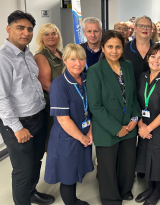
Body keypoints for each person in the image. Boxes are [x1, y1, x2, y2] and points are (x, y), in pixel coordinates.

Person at [0, 10, 55, 205]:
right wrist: (17, 128)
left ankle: (32, 193)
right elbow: (1, 98)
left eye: (29, 29)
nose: (26, 33)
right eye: (20, 28)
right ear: (9, 29)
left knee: (36, 160)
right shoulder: (3, 59)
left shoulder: (27, 53)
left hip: (37, 117)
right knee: (22, 169)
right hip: (19, 123)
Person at [86, 30, 141, 205]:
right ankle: (110, 198)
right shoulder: (95, 70)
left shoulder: (128, 66)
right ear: (103, 48)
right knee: (108, 166)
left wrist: (134, 118)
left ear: (122, 48)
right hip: (108, 127)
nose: (114, 51)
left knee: (127, 162)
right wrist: (117, 128)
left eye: (118, 47)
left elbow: (132, 96)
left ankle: (125, 190)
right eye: (110, 47)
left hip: (129, 124)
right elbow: (95, 106)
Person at [44, 44, 93, 205]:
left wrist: (90, 132)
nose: (77, 63)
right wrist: (82, 137)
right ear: (64, 60)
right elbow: (63, 119)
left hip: (84, 133)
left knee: (76, 170)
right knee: (68, 176)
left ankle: (74, 200)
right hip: (67, 138)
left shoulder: (86, 79)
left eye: (81, 59)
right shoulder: (59, 85)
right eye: (72, 59)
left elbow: (91, 110)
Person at [135, 44, 160, 205]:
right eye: (153, 56)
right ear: (147, 58)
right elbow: (136, 102)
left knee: (158, 160)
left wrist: (148, 128)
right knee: (146, 157)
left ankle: (157, 191)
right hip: (143, 125)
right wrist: (140, 126)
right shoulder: (143, 76)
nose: (156, 60)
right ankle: (150, 188)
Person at [34, 23, 64, 150]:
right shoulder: (41, 56)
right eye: (46, 34)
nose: (51, 36)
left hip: (63, 100)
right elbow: (46, 85)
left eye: (54, 33)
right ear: (41, 38)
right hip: (53, 102)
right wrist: (66, 96)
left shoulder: (61, 54)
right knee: (53, 138)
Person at [124, 15, 154, 86]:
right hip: (130, 92)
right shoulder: (125, 48)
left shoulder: (158, 49)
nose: (145, 29)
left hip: (153, 93)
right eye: (141, 26)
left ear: (151, 29)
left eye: (148, 26)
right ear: (135, 28)